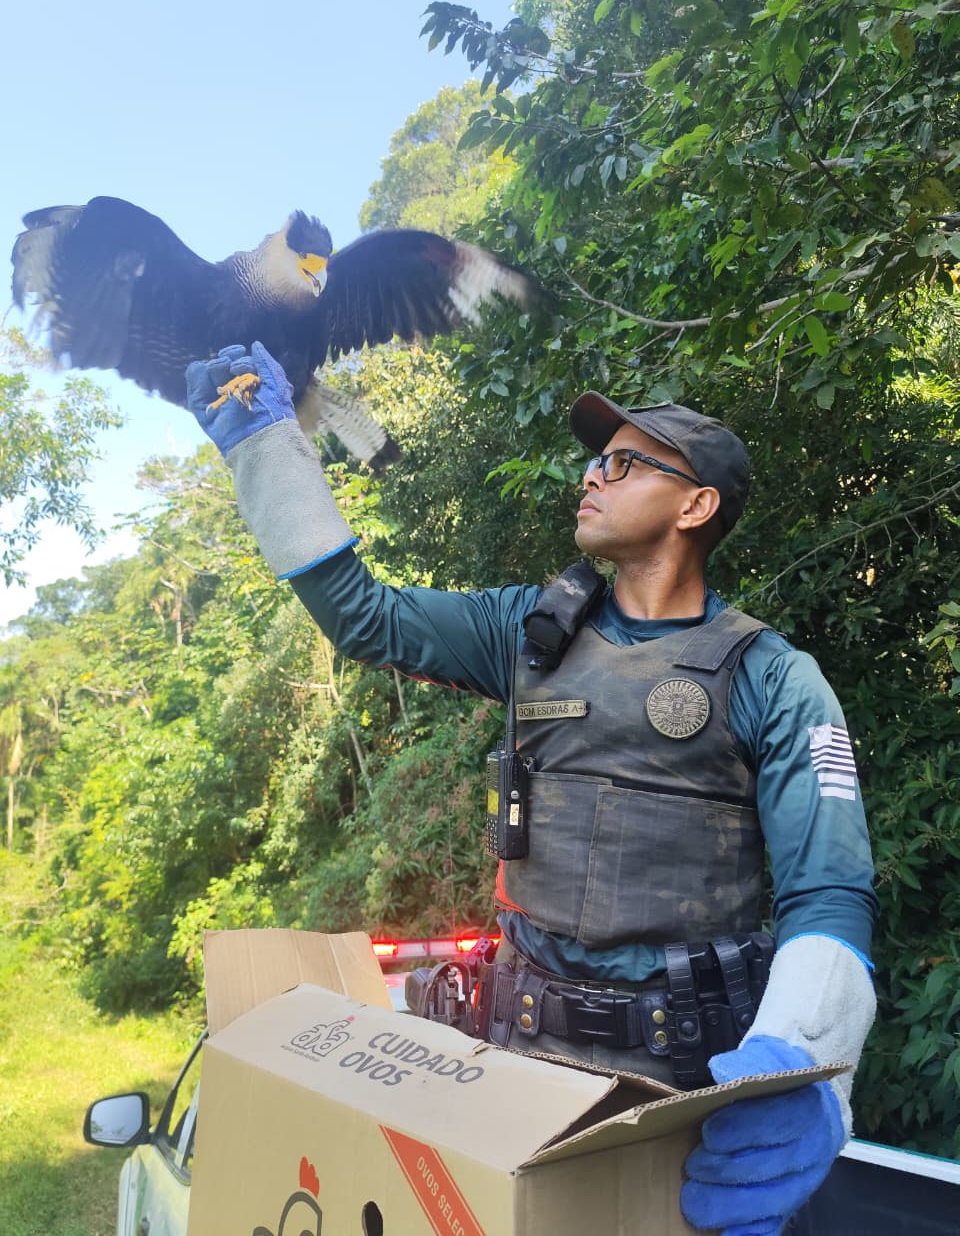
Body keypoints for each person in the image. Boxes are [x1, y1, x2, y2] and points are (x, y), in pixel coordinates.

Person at [186, 342, 878, 1236]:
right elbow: (365, 615)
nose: (594, 476)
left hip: (680, 1100)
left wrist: (802, 1071)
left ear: (696, 504)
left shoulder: (775, 679)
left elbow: (829, 893)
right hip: (511, 1069)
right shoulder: (525, 632)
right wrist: (265, 446)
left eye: (625, 462)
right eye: (596, 459)